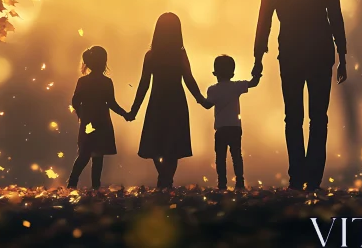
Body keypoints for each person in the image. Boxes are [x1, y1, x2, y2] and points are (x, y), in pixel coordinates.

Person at [252, 0, 348, 191]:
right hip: (320, 52)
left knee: (292, 116)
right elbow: (336, 18)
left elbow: (264, 22)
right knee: (319, 116)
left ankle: (297, 176)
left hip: (291, 53)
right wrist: (343, 55)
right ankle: (314, 177)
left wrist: (258, 57)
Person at [129, 12, 206, 188]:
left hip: (157, 101)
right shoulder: (179, 55)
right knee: (172, 145)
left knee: (156, 143)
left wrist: (134, 110)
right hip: (176, 101)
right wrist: (200, 99)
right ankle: (166, 180)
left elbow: (144, 85)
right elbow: (189, 79)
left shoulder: (151, 55)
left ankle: (164, 179)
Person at [67, 46, 130, 189]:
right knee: (98, 157)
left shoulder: (83, 81)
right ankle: (95, 187)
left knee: (83, 154)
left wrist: (81, 115)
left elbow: (75, 101)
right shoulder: (106, 82)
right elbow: (112, 103)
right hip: (102, 123)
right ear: (104, 63)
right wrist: (125, 114)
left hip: (88, 123)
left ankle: (72, 184)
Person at [195, 55, 260, 190]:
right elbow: (253, 83)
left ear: (215, 72)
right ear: (232, 72)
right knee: (236, 155)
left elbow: (207, 105)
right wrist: (258, 71)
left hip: (221, 129)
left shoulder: (212, 89)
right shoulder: (236, 86)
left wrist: (198, 97)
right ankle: (240, 182)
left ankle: (222, 183)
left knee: (220, 157)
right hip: (235, 127)